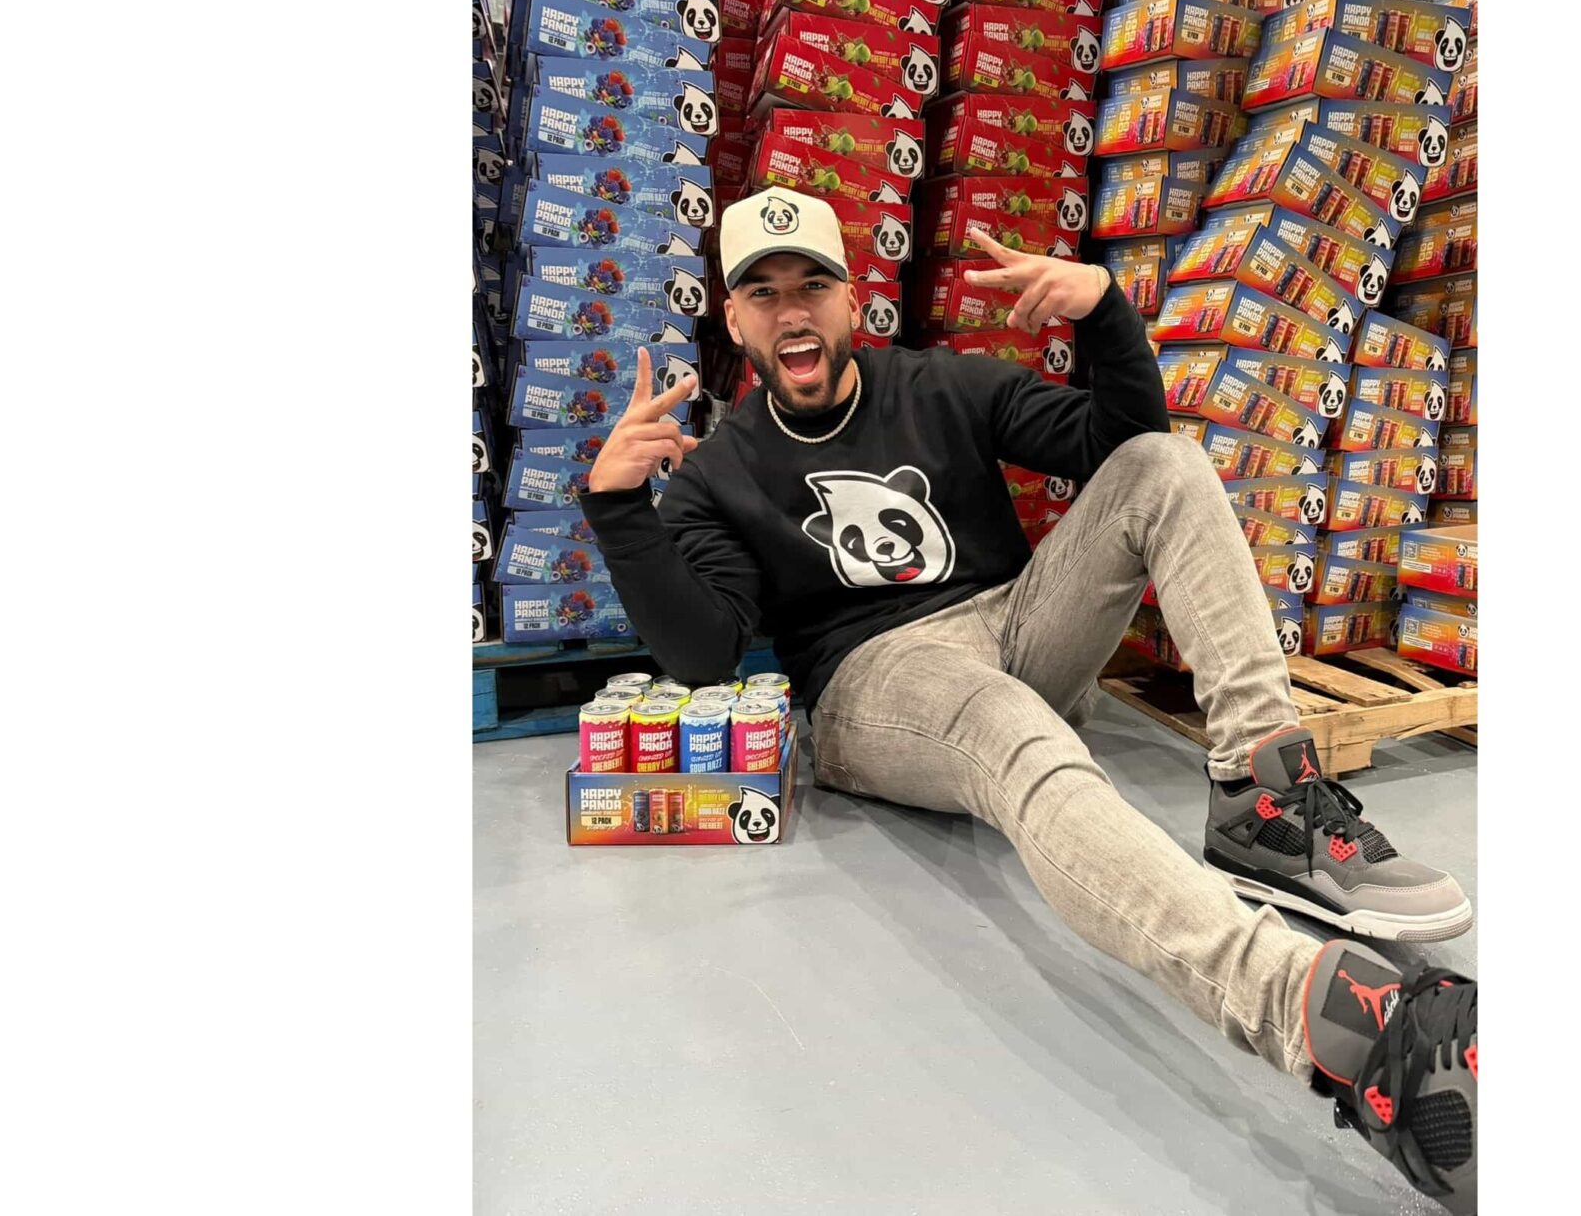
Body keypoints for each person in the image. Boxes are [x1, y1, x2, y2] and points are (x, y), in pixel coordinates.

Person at [578, 188, 1478, 1209]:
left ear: (851, 298)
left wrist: (1104, 315)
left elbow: (1120, 442)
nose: (792, 311)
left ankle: (1262, 795)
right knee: (1015, 731)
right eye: (764, 293)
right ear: (736, 320)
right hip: (876, 676)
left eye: (812, 285)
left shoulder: (939, 384)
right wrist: (619, 508)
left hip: (1016, 623)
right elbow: (704, 654)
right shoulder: (721, 473)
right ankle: (1332, 1024)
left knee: (1166, 464)